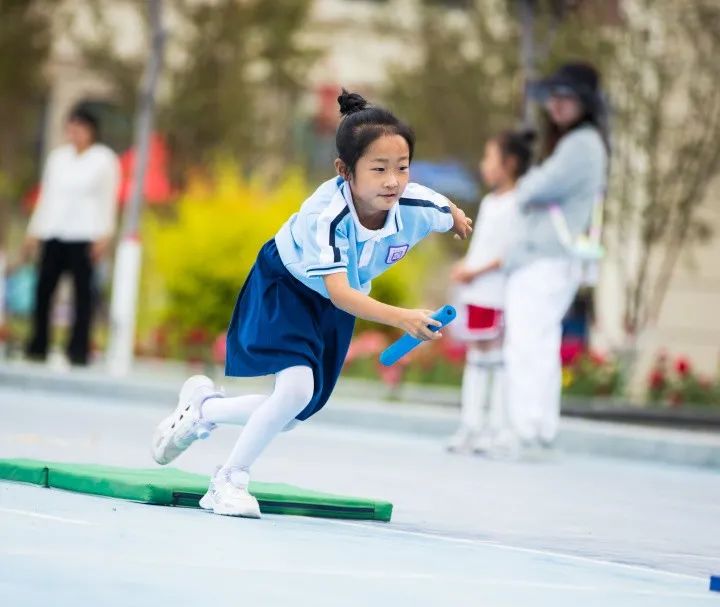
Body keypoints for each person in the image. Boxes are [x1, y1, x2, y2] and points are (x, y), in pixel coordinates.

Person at [151, 89, 473, 518]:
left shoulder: (414, 202)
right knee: (296, 388)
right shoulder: (327, 216)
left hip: (338, 299)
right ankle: (228, 480)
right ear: (345, 171)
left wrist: (457, 219)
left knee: (292, 413)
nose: (393, 180)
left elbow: (445, 207)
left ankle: (204, 410)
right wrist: (404, 319)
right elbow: (340, 293)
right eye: (378, 169)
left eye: (402, 167)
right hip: (288, 286)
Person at [492, 62, 609, 458]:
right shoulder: (587, 143)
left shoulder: (580, 144)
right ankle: (538, 428)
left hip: (542, 259)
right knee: (540, 344)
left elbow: (531, 189)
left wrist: (527, 182)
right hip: (555, 259)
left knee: (526, 343)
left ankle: (524, 429)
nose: (557, 104)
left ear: (585, 103)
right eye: (554, 96)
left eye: (567, 97)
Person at [446, 129, 534, 454]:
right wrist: (465, 268)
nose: (485, 165)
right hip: (476, 292)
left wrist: (474, 270)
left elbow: (508, 253)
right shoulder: (489, 202)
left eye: (490, 158)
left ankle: (495, 428)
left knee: (495, 359)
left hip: (495, 292)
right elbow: (483, 246)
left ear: (509, 163)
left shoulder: (516, 203)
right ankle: (471, 426)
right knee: (477, 358)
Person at [23, 104, 120, 367]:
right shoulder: (58, 158)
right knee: (43, 290)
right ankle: (38, 345)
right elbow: (47, 197)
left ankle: (77, 350)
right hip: (54, 231)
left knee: (83, 295)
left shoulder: (104, 159)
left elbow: (108, 198)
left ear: (91, 131)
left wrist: (105, 235)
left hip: (85, 233)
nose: (75, 133)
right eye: (71, 127)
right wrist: (34, 231)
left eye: (80, 128)